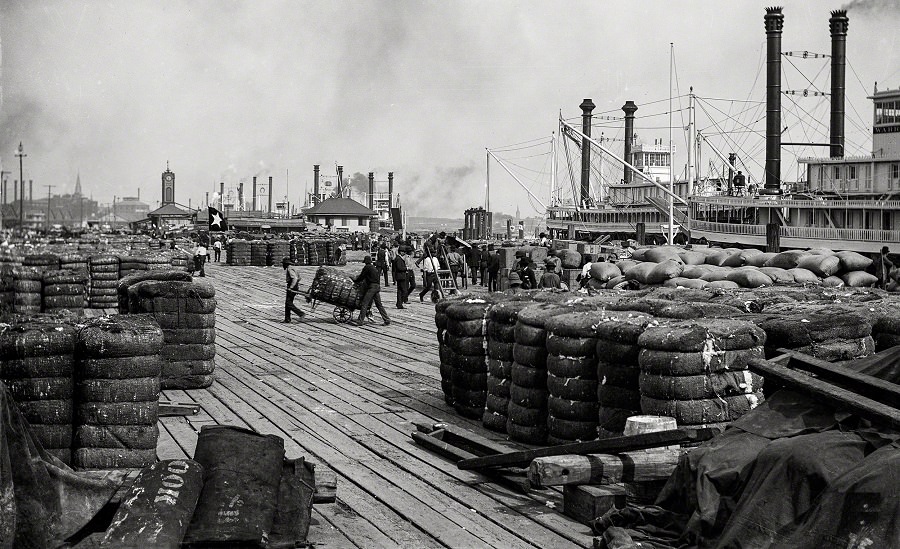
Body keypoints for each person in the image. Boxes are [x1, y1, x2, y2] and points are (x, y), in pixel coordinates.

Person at [354, 255, 390, 326]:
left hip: (372, 287)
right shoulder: (373, 267)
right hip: (377, 287)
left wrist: (355, 280)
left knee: (364, 304)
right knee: (379, 304)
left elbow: (361, 277)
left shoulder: (367, 267)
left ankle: (360, 321)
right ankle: (386, 319)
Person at [281, 257, 305, 323]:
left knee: (288, 303)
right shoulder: (294, 268)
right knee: (288, 303)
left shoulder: (289, 269)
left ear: (286, 264)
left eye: (283, 264)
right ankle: (287, 319)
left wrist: (291, 287)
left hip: (292, 286)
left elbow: (295, 278)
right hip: (295, 285)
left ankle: (301, 313)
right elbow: (299, 278)